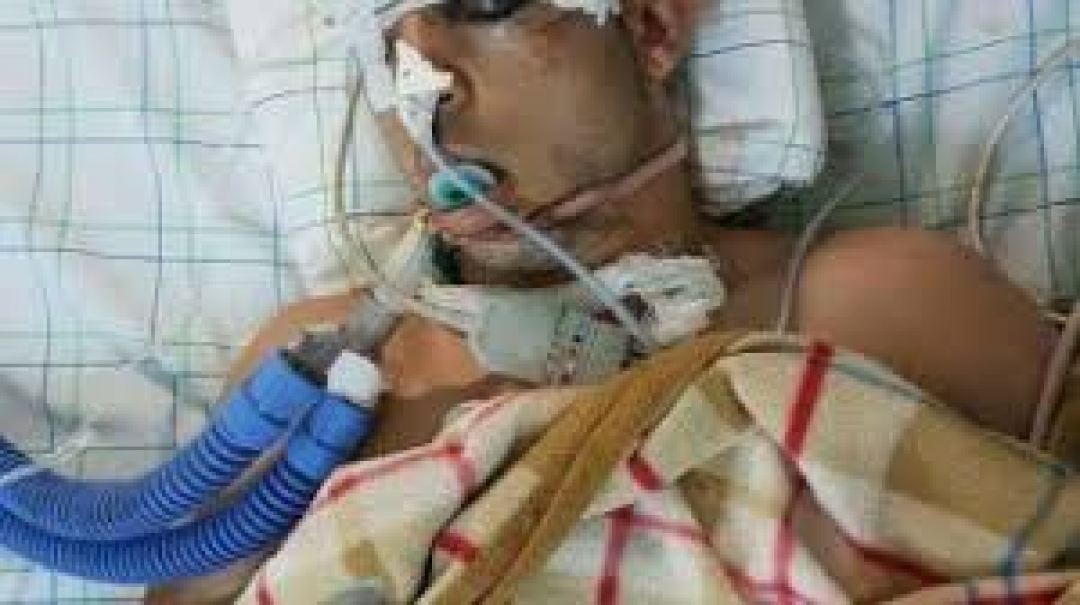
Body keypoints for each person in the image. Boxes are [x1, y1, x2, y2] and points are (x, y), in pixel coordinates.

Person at [147, 0, 1062, 601]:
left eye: (485, 6)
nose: (424, 90)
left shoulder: (889, 306)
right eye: (380, 41)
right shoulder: (318, 380)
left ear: (652, 26)